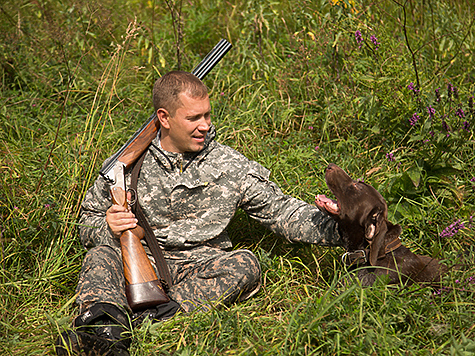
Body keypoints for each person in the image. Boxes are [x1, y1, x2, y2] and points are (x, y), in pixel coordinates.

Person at [55, 71, 343, 356]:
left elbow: (282, 212)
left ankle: (153, 318)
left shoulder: (230, 165)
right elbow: (88, 221)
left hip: (202, 267)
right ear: (164, 118)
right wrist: (108, 226)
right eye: (193, 118)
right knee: (100, 256)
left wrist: (342, 224)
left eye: (207, 115)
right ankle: (102, 334)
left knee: (246, 263)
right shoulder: (122, 167)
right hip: (139, 267)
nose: (205, 125)